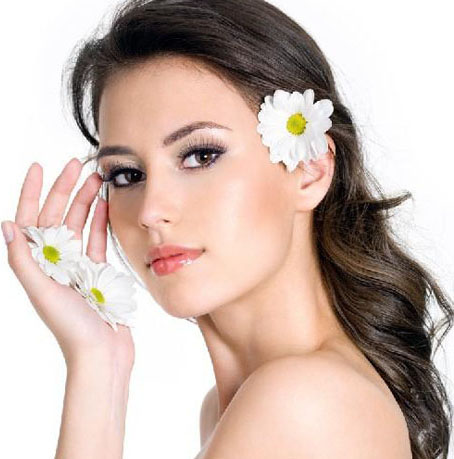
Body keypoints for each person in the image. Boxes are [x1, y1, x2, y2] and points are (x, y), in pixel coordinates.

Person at [1, 0, 453, 457]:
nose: (151, 211)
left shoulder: (302, 401)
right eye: (127, 174)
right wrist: (99, 360)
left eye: (201, 155)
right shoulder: (237, 406)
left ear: (310, 170)